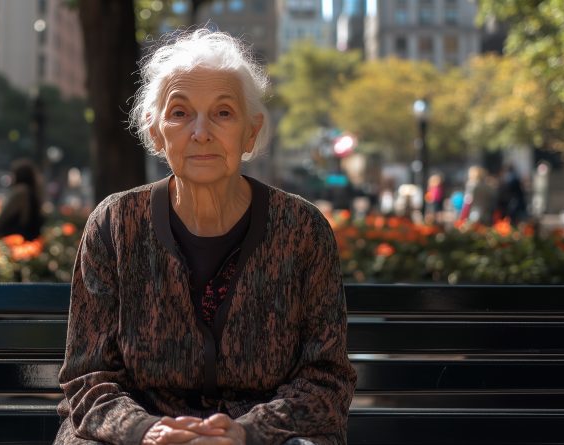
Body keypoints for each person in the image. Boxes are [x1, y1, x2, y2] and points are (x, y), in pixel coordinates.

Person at [55, 30, 356, 445]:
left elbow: (327, 381)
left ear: (251, 132)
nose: (201, 132)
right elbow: (87, 379)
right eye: (180, 113)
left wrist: (247, 432)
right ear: (156, 132)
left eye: (224, 113)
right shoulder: (114, 224)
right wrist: (147, 431)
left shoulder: (302, 229)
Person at [0, 158, 44, 240]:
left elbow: (4, 216)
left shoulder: (21, 192)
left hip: (16, 238)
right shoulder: (33, 191)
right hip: (30, 237)